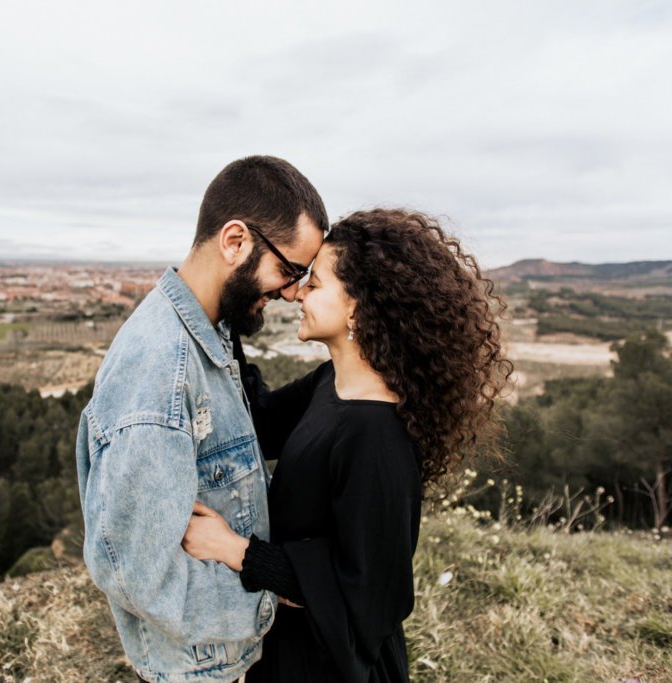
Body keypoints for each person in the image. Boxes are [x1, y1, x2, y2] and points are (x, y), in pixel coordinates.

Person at [182, 208, 512, 682]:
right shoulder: (333, 383)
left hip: (327, 667)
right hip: (291, 647)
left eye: (314, 285)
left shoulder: (376, 436)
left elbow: (364, 596)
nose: (296, 293)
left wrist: (234, 549)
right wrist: (229, 304)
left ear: (358, 304)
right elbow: (259, 420)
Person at [75, 155, 328, 683]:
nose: (289, 291)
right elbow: (133, 570)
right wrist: (266, 601)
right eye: (288, 270)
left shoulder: (212, 332)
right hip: (198, 670)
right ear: (235, 241)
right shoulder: (159, 370)